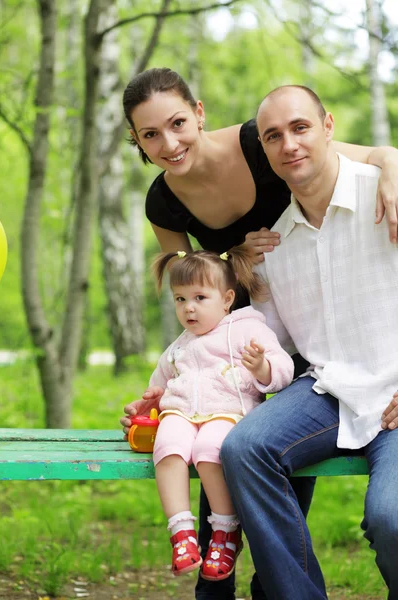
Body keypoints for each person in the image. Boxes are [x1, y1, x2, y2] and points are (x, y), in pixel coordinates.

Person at [120, 67, 398, 600]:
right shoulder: (178, 209)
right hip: (262, 342)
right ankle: (239, 589)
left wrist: (388, 160)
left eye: (177, 122)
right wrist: (178, 385)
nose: (168, 142)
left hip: (342, 343)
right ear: (136, 139)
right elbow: (194, 290)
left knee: (365, 508)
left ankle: (274, 587)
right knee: (228, 444)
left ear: (199, 112)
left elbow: (363, 155)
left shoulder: (273, 144)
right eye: (150, 134)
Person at [220, 85, 398, 600]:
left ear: (328, 127)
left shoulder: (386, 193)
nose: (289, 145)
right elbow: (252, 343)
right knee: (245, 447)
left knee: (391, 518)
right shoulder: (274, 247)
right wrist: (172, 388)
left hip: (394, 395)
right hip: (329, 393)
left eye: (299, 128)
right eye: (273, 136)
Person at [128, 247, 294, 581]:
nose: (188, 307)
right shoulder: (179, 345)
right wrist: (149, 402)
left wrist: (262, 368)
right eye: (179, 299)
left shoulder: (249, 331)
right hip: (181, 414)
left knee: (208, 450)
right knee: (168, 444)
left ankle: (225, 532)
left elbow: (284, 369)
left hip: (228, 413)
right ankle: (181, 533)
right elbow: (158, 386)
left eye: (200, 297)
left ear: (227, 298)